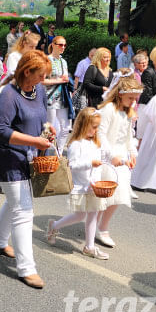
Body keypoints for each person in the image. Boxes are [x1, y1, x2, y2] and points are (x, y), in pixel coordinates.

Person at [0, 50, 54, 289]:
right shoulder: (9, 94)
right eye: (41, 75)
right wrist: (34, 141)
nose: (44, 79)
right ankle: (26, 268)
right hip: (9, 158)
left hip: (30, 156)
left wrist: (47, 130)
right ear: (27, 71)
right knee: (24, 210)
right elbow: (1, 130)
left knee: (15, 202)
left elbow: (42, 119)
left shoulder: (39, 91)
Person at [46, 108, 111, 260]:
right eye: (93, 127)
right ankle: (54, 226)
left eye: (97, 127)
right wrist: (90, 163)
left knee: (93, 215)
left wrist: (118, 159)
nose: (95, 130)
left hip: (93, 186)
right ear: (83, 124)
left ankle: (89, 247)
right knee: (80, 215)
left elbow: (103, 158)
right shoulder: (76, 144)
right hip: (81, 186)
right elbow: (73, 165)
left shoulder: (95, 143)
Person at [94, 72, 142, 247]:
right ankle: (94, 225)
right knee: (103, 197)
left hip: (122, 156)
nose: (133, 102)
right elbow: (101, 134)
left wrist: (133, 153)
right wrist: (111, 155)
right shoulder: (108, 110)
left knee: (119, 194)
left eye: (135, 98)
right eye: (131, 98)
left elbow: (129, 136)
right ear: (120, 95)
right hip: (108, 156)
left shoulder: (127, 111)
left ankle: (103, 226)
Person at [43, 36, 73, 149]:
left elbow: (65, 77)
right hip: (50, 97)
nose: (63, 47)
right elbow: (41, 80)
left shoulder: (63, 61)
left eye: (65, 45)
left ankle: (58, 154)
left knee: (65, 128)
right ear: (53, 45)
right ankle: (44, 154)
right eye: (60, 45)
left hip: (63, 98)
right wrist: (59, 80)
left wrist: (66, 79)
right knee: (49, 128)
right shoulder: (47, 60)